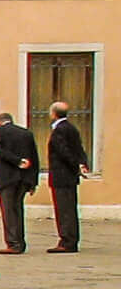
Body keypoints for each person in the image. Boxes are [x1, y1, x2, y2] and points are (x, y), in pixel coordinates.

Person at [0, 112, 39, 255]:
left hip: (6, 178)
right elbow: (34, 157)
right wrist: (33, 181)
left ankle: (13, 243)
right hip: (24, 178)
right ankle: (20, 242)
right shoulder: (26, 133)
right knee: (18, 209)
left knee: (8, 211)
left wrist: (17, 161)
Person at [46, 100, 90, 253]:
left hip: (62, 175)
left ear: (54, 113)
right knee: (69, 209)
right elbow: (79, 148)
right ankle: (70, 239)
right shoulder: (71, 128)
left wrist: (75, 165)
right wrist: (82, 164)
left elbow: (63, 151)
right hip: (69, 176)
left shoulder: (60, 130)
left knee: (64, 210)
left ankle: (67, 241)